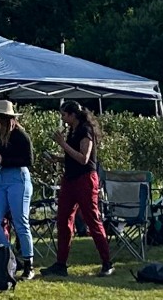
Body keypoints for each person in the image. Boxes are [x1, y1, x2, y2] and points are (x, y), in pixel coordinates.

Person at [41, 101, 113, 279]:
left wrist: (62, 144)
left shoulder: (85, 130)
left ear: (73, 115)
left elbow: (83, 158)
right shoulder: (72, 130)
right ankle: (61, 264)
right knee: (63, 219)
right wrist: (58, 158)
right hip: (70, 180)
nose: (63, 119)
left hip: (85, 180)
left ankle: (107, 262)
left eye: (64, 115)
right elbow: (72, 157)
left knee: (92, 219)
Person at [0, 100, 35, 280]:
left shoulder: (20, 136)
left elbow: (28, 160)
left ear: (4, 118)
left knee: (20, 221)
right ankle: (10, 256)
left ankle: (29, 265)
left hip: (18, 178)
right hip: (1, 179)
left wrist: (4, 159)